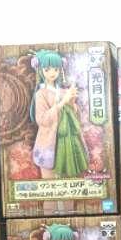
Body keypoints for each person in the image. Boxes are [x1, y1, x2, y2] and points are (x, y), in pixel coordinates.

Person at [30, 50, 88, 180]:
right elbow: (42, 120)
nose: (52, 73)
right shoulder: (41, 94)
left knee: (69, 182)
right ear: (40, 70)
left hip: (69, 141)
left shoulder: (63, 91)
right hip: (50, 143)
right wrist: (62, 102)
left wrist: (72, 102)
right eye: (47, 69)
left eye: (56, 69)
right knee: (50, 183)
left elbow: (75, 117)